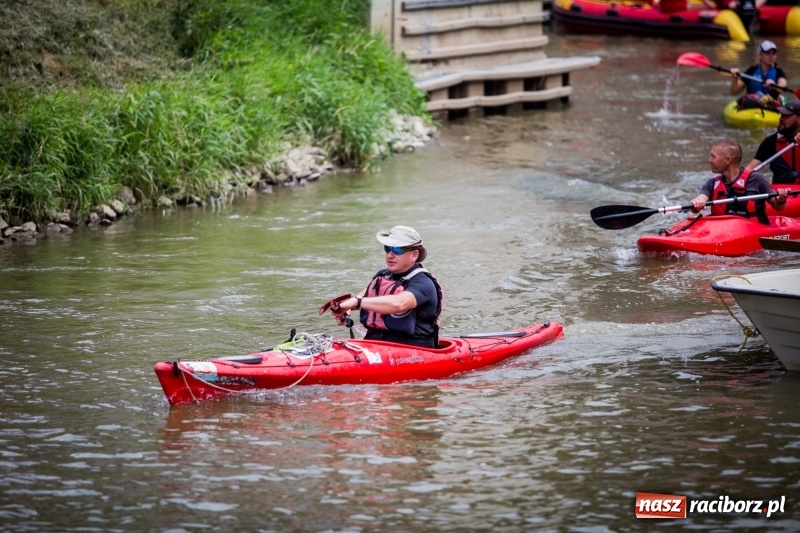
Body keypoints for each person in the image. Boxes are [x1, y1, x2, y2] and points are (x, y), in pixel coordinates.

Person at [327, 225, 443, 348]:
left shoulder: (424, 283)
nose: (390, 255)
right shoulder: (383, 276)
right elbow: (364, 298)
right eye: (387, 248)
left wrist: (356, 301)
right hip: (375, 345)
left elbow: (399, 303)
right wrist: (346, 309)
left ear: (414, 255)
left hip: (412, 350)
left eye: (397, 250)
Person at [690, 138, 789, 223]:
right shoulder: (712, 183)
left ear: (727, 160)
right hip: (721, 231)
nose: (709, 160)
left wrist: (781, 200)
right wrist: (697, 203)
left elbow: (779, 208)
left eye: (713, 156)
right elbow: (700, 200)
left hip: (752, 231)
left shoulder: (756, 179)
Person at [745, 100, 800, 184]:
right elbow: (750, 169)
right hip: (779, 193)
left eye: (786, 116)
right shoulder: (771, 142)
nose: (781, 119)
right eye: (781, 115)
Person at [729, 40, 788, 110]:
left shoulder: (778, 72)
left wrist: (774, 86)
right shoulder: (751, 71)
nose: (771, 56)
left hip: (771, 106)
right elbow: (734, 92)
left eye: (773, 53)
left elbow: (783, 85)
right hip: (752, 104)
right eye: (767, 53)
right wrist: (735, 78)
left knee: (778, 100)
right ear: (760, 55)